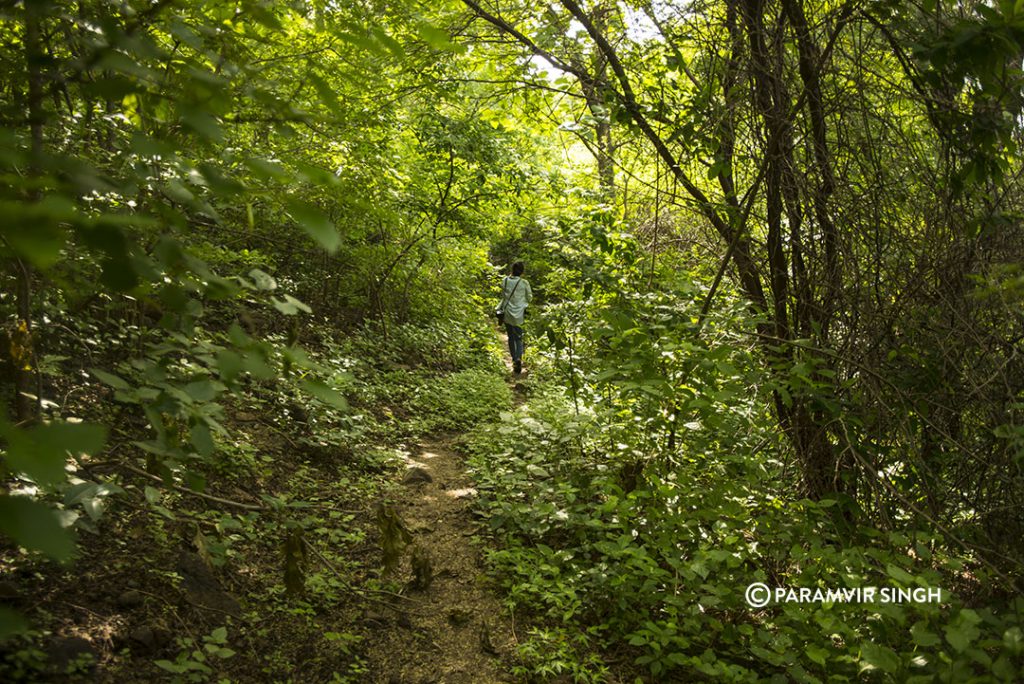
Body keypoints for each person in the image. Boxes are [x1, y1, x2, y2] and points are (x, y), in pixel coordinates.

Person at [498, 261, 533, 375]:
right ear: (522, 271)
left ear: (512, 270)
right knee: (519, 337)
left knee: (511, 337)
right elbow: (530, 297)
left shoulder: (505, 281)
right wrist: (522, 303)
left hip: (507, 312)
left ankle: (514, 359)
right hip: (519, 314)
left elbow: (503, 297)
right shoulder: (524, 283)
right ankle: (518, 358)